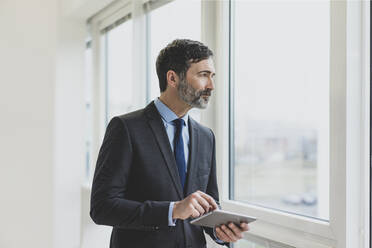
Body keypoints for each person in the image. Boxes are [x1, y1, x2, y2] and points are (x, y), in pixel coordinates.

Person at [90, 39, 249, 248]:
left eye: (212, 76)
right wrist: (172, 210)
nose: (211, 85)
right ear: (172, 78)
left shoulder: (205, 136)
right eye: (203, 75)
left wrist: (220, 231)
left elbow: (207, 206)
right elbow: (102, 207)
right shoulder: (126, 128)